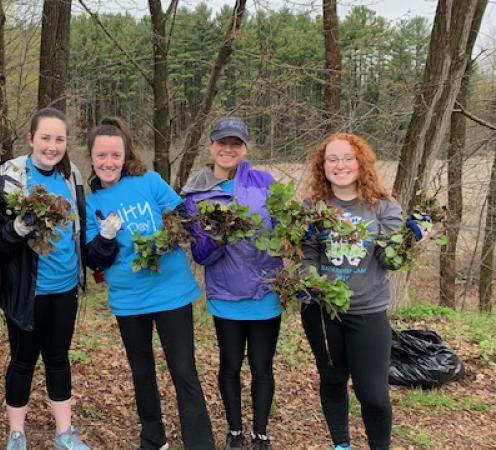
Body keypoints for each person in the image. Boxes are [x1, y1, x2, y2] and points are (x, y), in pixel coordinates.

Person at [84, 117, 215, 450]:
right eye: (101, 156)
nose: (108, 162)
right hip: (129, 299)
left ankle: (199, 443)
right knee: (141, 371)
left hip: (171, 292)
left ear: (126, 154)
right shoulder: (92, 203)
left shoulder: (150, 182)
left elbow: (183, 219)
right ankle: (153, 438)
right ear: (92, 158)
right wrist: (106, 237)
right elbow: (94, 259)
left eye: (115, 155)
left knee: (183, 370)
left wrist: (167, 237)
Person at [180, 117, 282, 450]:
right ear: (211, 146)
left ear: (245, 148)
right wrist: (217, 237)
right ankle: (236, 431)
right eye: (222, 142)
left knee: (262, 367)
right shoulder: (197, 193)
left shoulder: (265, 184)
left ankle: (261, 433)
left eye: (235, 143)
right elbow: (200, 254)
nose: (228, 149)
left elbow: (284, 232)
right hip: (226, 294)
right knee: (230, 365)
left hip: (265, 291)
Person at [301, 132, 408, 450]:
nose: (340, 165)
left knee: (372, 393)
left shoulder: (383, 207)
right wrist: (308, 281)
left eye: (348, 158)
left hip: (368, 310)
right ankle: (341, 444)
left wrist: (405, 240)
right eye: (332, 159)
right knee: (333, 379)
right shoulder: (311, 208)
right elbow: (305, 255)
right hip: (322, 311)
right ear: (323, 166)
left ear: (361, 163)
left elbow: (392, 262)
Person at [0, 107, 89, 450]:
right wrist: (19, 228)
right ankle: (16, 434)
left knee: (59, 357)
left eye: (59, 139)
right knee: (22, 360)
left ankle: (64, 433)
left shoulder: (71, 174)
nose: (52, 145)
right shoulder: (13, 173)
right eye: (45, 138)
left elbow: (82, 226)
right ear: (31, 138)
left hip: (65, 288)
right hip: (27, 288)